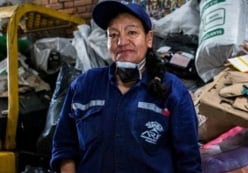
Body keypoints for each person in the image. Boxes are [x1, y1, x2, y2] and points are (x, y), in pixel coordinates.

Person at [50, 0, 202, 172]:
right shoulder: (84, 86)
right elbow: (64, 146)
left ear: (149, 38)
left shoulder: (173, 91)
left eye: (132, 32)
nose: (121, 41)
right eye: (113, 35)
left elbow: (188, 161)